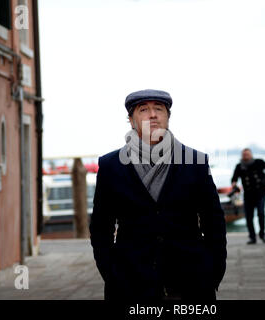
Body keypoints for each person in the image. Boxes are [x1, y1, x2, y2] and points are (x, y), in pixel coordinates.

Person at [89, 89, 227, 301]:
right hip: (130, 281)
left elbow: (214, 220)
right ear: (131, 119)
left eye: (159, 109)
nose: (152, 115)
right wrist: (110, 272)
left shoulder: (195, 161)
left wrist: (213, 271)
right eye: (143, 109)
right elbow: (101, 226)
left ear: (168, 116)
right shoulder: (111, 165)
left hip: (190, 280)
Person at [231, 148, 265, 244]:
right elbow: (234, 178)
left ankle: (262, 234)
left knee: (261, 214)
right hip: (248, 195)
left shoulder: (259, 162)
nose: (245, 156)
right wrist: (234, 184)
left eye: (247, 154)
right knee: (249, 217)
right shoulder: (239, 166)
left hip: (260, 194)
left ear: (251, 155)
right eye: (244, 155)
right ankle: (252, 237)